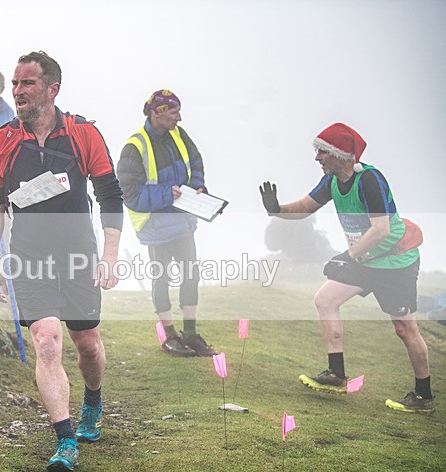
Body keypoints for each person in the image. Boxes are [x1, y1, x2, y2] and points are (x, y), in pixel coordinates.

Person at [0, 51, 123, 472]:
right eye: (15, 84)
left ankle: (92, 402)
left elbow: (110, 196)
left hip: (78, 253)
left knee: (88, 344)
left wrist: (109, 256)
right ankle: (65, 440)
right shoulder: (1, 143)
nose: (18, 92)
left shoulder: (83, 134)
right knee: (46, 340)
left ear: (52, 89)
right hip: (28, 256)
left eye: (27, 84)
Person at [259, 122, 433, 413]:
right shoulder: (331, 182)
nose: (317, 158)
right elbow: (305, 206)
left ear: (340, 154)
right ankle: (336, 374)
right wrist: (276, 209)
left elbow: (380, 229)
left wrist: (347, 255)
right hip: (365, 260)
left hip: (394, 263)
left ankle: (423, 396)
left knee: (405, 328)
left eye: (322, 152)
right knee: (325, 299)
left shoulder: (369, 180)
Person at [117, 89, 218, 357]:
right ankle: (169, 336)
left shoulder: (178, 134)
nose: (179, 118)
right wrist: (167, 194)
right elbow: (128, 193)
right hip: (155, 225)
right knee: (161, 279)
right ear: (158, 113)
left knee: (190, 275)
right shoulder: (134, 146)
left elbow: (195, 162)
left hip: (182, 221)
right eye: (174, 113)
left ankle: (191, 335)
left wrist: (197, 185)